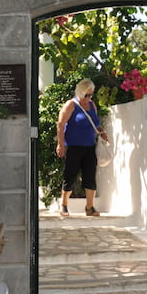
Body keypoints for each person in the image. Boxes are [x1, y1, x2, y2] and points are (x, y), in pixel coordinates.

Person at [56, 78, 107, 217]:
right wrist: (60, 144)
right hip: (74, 146)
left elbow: (95, 123)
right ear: (80, 92)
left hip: (89, 146)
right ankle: (64, 205)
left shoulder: (92, 105)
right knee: (70, 175)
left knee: (90, 176)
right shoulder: (71, 105)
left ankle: (90, 207)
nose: (89, 98)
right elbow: (60, 125)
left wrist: (102, 132)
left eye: (91, 95)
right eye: (86, 95)